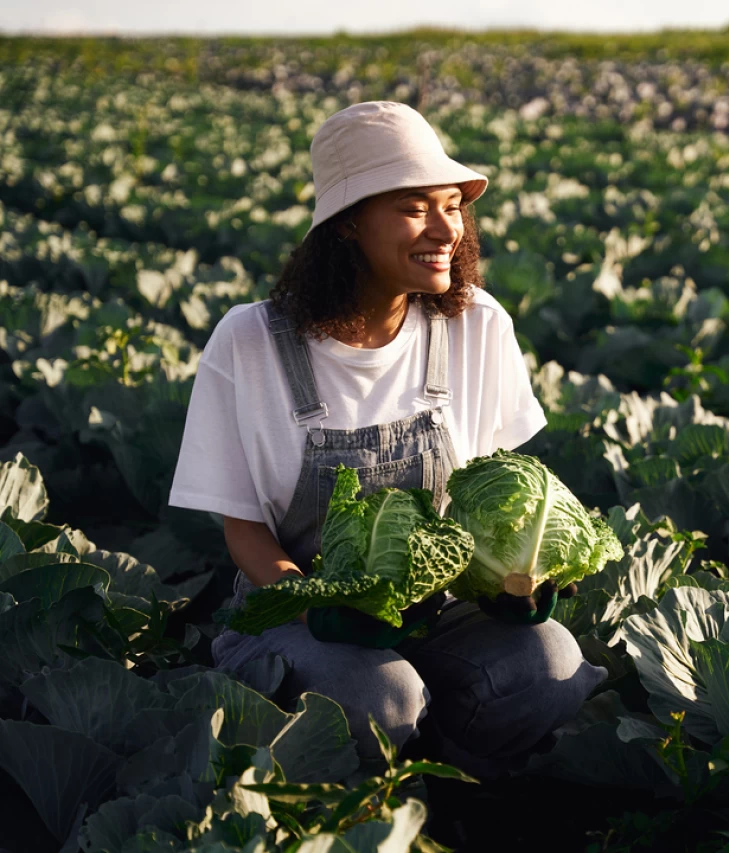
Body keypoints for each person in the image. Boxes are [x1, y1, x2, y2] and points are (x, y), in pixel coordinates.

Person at [168, 100, 607, 780]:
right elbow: (245, 530)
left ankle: (449, 785)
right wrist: (322, 603)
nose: (446, 228)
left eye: (452, 204)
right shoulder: (250, 343)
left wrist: (513, 576)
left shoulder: (478, 327)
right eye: (413, 207)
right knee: (376, 695)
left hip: (444, 607)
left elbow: (492, 493)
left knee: (549, 663)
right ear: (347, 222)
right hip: (300, 614)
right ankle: (353, 786)